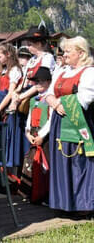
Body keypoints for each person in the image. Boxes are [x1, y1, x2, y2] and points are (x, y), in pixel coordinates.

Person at [45, 36, 94, 216]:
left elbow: (84, 100)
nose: (64, 54)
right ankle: (65, 202)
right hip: (60, 119)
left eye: (68, 51)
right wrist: (55, 103)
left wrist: (58, 103)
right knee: (62, 161)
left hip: (78, 121)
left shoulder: (89, 73)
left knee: (78, 162)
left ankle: (83, 204)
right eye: (64, 51)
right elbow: (49, 93)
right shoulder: (62, 71)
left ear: (80, 53)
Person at [19, 67, 52, 202]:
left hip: (45, 137)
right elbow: (30, 117)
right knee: (31, 163)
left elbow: (51, 119)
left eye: (42, 81)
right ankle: (31, 192)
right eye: (36, 81)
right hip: (33, 133)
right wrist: (27, 132)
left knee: (46, 165)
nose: (38, 84)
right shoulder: (33, 100)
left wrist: (42, 136)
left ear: (49, 82)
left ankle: (45, 194)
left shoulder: (51, 99)